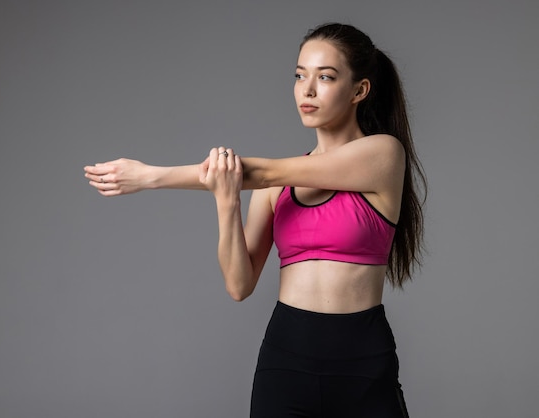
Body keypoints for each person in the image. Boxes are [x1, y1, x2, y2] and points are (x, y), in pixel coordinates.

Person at [84, 22, 425, 418]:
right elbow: (239, 285)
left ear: (359, 90)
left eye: (325, 77)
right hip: (286, 358)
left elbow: (258, 172)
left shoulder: (383, 154)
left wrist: (150, 176)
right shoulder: (275, 186)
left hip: (363, 362)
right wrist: (226, 202)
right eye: (299, 76)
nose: (307, 90)